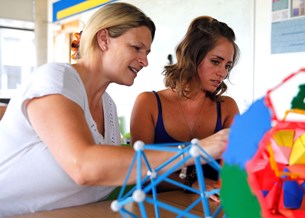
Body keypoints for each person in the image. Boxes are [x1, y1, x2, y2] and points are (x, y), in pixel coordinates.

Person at [0, 3, 230, 216]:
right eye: (137, 48)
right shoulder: (55, 78)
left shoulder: (107, 104)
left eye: (147, 52)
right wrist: (193, 152)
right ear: (104, 40)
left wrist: (190, 180)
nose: (144, 61)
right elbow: (83, 166)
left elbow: (119, 170)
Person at [130, 16, 240, 201]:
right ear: (193, 56)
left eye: (227, 66)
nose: (223, 73)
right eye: (215, 61)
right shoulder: (148, 103)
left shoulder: (227, 107)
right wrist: (192, 182)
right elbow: (140, 172)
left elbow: (236, 169)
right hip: (156, 207)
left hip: (210, 208)